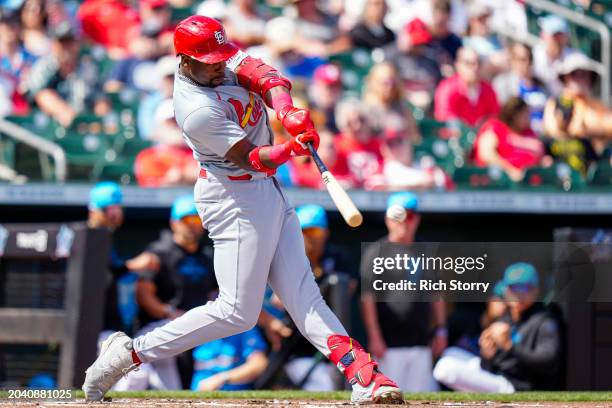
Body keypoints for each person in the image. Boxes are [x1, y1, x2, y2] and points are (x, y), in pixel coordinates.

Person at [82, 15, 403, 405]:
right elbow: (252, 158)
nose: (221, 64)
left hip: (266, 190)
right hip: (232, 196)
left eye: (221, 56)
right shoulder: (195, 108)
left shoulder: (218, 57)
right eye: (210, 61)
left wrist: (285, 111)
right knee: (237, 312)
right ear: (185, 62)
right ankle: (129, 353)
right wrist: (290, 148)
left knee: (305, 296)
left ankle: (362, 375)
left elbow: (267, 77)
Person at [118, 195, 217, 391]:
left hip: (196, 328)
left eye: (196, 220)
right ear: (174, 223)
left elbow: (216, 293)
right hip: (158, 326)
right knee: (136, 376)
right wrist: (168, 312)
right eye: (186, 220)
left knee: (173, 390)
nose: (191, 225)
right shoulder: (160, 251)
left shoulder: (208, 256)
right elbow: (144, 293)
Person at [361, 192, 447, 392]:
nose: (404, 222)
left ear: (416, 219)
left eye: (408, 216)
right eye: (398, 216)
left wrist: (441, 329)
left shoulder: (426, 250)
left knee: (421, 399)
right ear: (388, 218)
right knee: (387, 397)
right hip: (389, 345)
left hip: (420, 343)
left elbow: (436, 294)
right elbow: (367, 298)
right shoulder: (376, 251)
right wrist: (374, 336)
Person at [434, 263, 564, 392]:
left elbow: (549, 362)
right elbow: (490, 366)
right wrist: (487, 354)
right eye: (514, 288)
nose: (519, 294)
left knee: (445, 368)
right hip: (499, 376)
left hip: (517, 386)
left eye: (524, 288)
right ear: (506, 291)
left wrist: (510, 346)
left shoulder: (544, 320)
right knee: (450, 353)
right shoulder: (507, 318)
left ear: (535, 291)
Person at [280, 204, 355, 391]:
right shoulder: (288, 258)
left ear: (326, 233)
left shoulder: (338, 258)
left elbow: (348, 291)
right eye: (305, 231)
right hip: (298, 347)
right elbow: (272, 299)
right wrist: (274, 324)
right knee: (324, 388)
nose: (310, 237)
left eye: (316, 231)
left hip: (335, 342)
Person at [88, 182, 139, 359]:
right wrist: (132, 265)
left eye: (117, 210)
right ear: (93, 211)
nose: (114, 216)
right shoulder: (88, 236)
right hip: (89, 320)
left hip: (107, 318)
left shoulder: (106, 237)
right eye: (108, 211)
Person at [24, 22, 101, 127]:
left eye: (70, 42)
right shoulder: (45, 66)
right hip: (49, 126)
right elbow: (41, 95)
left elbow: (99, 98)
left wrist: (99, 122)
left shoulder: (87, 67)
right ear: (54, 45)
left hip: (83, 123)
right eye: (62, 42)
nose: (66, 47)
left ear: (77, 44)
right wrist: (65, 112)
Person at [543, 52, 612, 158]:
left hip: (594, 162)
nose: (580, 79)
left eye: (584, 74)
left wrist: (591, 131)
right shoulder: (556, 103)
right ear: (565, 78)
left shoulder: (597, 105)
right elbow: (554, 130)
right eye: (575, 74)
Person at [472, 97, 548, 182]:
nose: (528, 117)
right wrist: (509, 170)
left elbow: (539, 154)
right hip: (496, 183)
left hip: (529, 185)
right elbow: (486, 154)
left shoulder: (528, 133)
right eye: (525, 114)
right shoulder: (495, 127)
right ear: (515, 115)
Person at [383, 18, 442, 113]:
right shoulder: (392, 56)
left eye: (422, 43)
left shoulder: (432, 57)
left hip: (428, 109)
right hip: (401, 109)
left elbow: (438, 85)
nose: (419, 46)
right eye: (416, 43)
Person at [434, 47, 500, 127]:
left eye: (478, 63)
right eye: (468, 63)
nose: (475, 68)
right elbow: (445, 119)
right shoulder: (447, 89)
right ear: (458, 65)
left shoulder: (488, 89)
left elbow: (495, 116)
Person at [492, 43, 548, 133]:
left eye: (528, 59)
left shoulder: (542, 84)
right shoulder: (502, 83)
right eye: (519, 59)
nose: (525, 63)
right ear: (512, 60)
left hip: (543, 132)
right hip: (517, 133)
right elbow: (504, 113)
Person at [191, 326, 268, 391]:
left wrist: (222, 378)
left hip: (232, 398)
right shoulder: (201, 327)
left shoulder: (244, 329)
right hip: (195, 396)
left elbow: (259, 364)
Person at [363, 62, 421, 141]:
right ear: (373, 82)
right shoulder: (364, 110)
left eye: (393, 83)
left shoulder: (403, 107)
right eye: (385, 83)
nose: (390, 87)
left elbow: (414, 137)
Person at [533, 15, 574, 96]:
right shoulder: (532, 55)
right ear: (542, 35)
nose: (557, 40)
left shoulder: (574, 58)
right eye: (554, 36)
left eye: (560, 36)